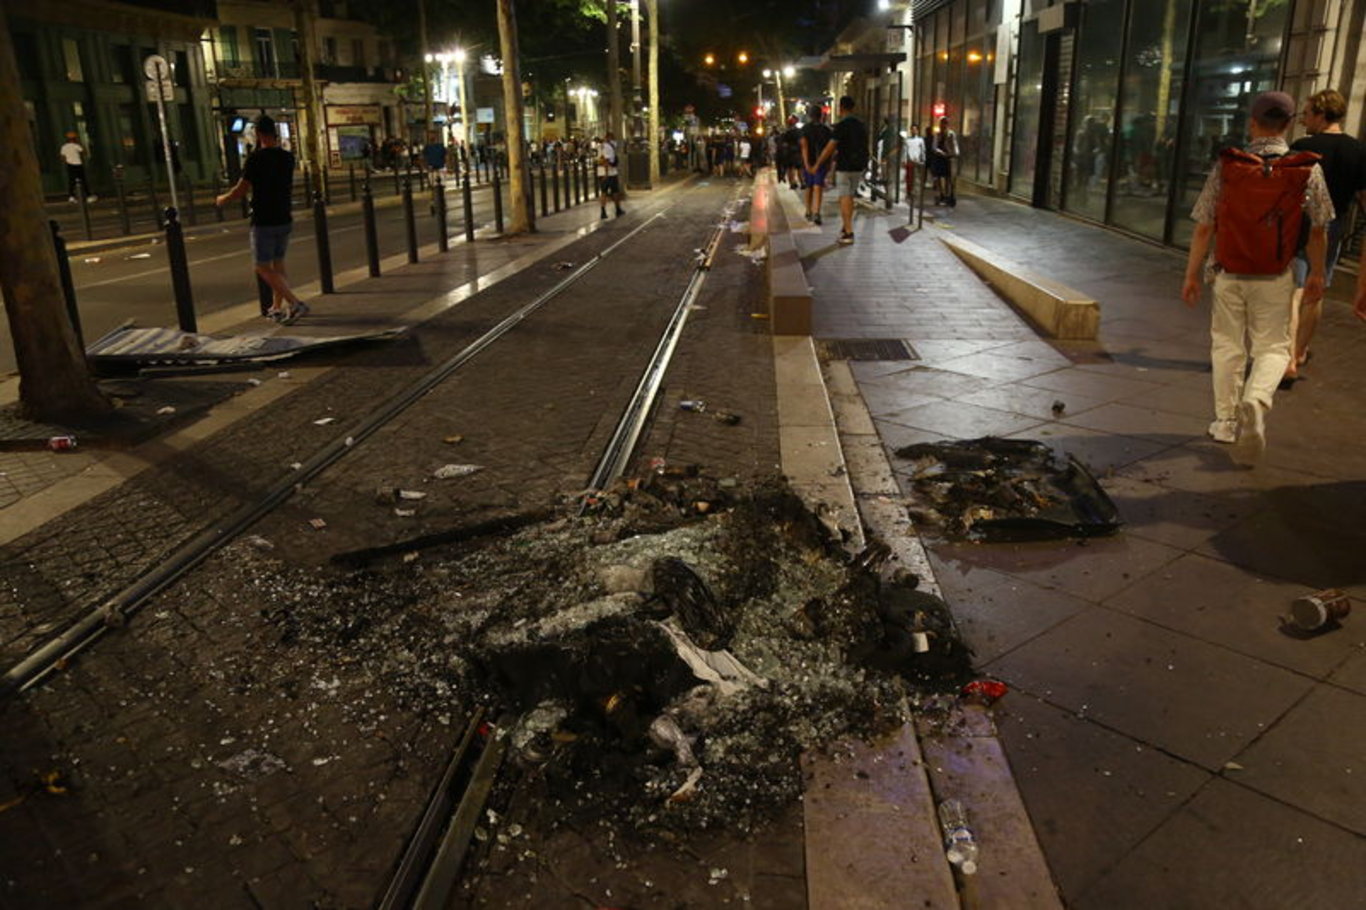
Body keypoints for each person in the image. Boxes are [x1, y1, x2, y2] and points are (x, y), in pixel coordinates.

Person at [1181, 91, 1332, 465]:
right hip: (1276, 273)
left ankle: (1226, 422)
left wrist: (1192, 275)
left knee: (1227, 346)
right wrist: (1315, 272)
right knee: (1274, 348)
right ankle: (1258, 398)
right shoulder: (1306, 168)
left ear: (1252, 122)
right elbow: (1319, 227)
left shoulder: (1228, 166)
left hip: (1229, 272)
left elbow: (1204, 226)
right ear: (1290, 124)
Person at [1284, 89, 1366, 381]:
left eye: (1307, 114)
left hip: (1300, 223)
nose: (1304, 120)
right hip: (1333, 224)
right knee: (1317, 288)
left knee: (1294, 290)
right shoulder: (1357, 150)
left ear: (1320, 114)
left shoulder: (1302, 146)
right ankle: (1299, 353)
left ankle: (1286, 360)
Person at [215, 115, 310, 324]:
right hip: (284, 217)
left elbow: (241, 189)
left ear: (258, 134)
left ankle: (295, 303)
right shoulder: (287, 157)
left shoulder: (256, 159)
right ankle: (277, 307)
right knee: (278, 264)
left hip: (264, 219)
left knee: (261, 266)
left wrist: (223, 199)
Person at [812, 95, 869, 246]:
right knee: (850, 196)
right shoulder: (861, 125)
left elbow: (830, 148)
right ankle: (846, 227)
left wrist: (818, 164)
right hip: (858, 166)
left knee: (844, 197)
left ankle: (849, 232)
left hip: (845, 166)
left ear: (841, 108)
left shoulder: (842, 125)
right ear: (853, 107)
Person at [800, 105, 833, 225]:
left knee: (809, 186)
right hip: (821, 162)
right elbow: (830, 149)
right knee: (818, 186)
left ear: (809, 115)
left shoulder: (804, 129)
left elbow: (804, 146)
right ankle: (816, 213)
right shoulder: (827, 130)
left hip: (808, 161)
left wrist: (807, 164)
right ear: (821, 115)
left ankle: (809, 211)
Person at [60, 131, 96, 203]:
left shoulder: (64, 147)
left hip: (70, 164)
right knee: (83, 180)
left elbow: (62, 157)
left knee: (71, 181)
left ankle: (71, 196)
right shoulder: (76, 146)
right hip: (78, 164)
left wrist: (67, 161)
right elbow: (84, 152)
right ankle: (88, 195)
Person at [930, 116, 959, 205]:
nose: (944, 125)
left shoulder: (951, 134)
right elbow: (934, 147)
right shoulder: (937, 134)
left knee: (949, 177)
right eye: (943, 123)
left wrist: (956, 153)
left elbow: (955, 144)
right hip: (939, 158)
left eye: (946, 123)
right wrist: (941, 152)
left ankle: (948, 195)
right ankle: (941, 194)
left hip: (949, 158)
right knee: (939, 177)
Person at [598, 130, 624, 219]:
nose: (614, 141)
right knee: (613, 192)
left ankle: (606, 211)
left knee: (605, 192)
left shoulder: (602, 146)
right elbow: (606, 160)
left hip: (603, 173)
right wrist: (606, 174)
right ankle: (615, 210)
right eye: (613, 138)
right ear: (609, 138)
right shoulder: (607, 147)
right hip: (609, 173)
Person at [903, 123, 926, 201]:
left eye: (915, 129)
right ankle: (909, 192)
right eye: (912, 129)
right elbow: (905, 151)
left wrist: (923, 159)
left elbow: (923, 151)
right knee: (908, 178)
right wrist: (904, 160)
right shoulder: (907, 140)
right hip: (910, 161)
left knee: (916, 178)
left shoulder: (920, 140)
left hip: (917, 161)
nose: (913, 131)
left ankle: (914, 192)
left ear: (917, 130)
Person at [779, 115, 803, 189]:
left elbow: (783, 143)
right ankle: (802, 182)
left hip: (789, 152)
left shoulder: (785, 132)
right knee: (799, 168)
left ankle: (792, 183)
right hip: (797, 152)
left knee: (790, 168)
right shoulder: (799, 131)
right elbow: (801, 142)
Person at [876, 116, 897, 184]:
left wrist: (886, 155)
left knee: (885, 169)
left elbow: (887, 142)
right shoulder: (886, 129)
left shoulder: (889, 130)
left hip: (886, 153)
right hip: (884, 151)